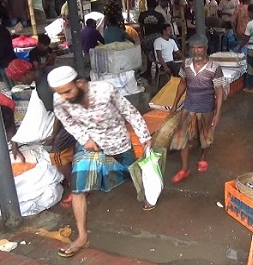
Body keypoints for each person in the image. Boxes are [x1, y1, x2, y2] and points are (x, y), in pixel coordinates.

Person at [49, 66, 151, 257]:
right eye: (60, 93)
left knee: (131, 173)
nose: (64, 97)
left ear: (79, 83)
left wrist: (144, 136)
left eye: (68, 91)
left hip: (117, 141)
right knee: (78, 188)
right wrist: (84, 138)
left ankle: (147, 193)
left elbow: (129, 112)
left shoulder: (105, 90)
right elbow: (68, 122)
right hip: (90, 144)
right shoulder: (60, 99)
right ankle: (82, 236)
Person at [6, 60, 78, 208]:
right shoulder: (45, 73)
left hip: (73, 116)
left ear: (26, 74)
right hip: (73, 108)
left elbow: (59, 113)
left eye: (20, 79)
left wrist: (53, 135)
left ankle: (77, 189)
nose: (22, 83)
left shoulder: (44, 90)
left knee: (56, 155)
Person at [169, 35, 226, 183]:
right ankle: (184, 169)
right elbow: (182, 83)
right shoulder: (186, 64)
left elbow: (219, 91)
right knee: (182, 136)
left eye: (199, 47)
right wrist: (175, 103)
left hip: (206, 106)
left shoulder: (214, 67)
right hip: (189, 105)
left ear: (206, 48)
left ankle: (203, 157)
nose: (196, 51)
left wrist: (218, 113)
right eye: (193, 48)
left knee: (205, 134)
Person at [0, 16, 17, 88]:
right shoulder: (4, 30)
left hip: (5, 61)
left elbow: (2, 47)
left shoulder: (2, 31)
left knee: (10, 85)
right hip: (7, 59)